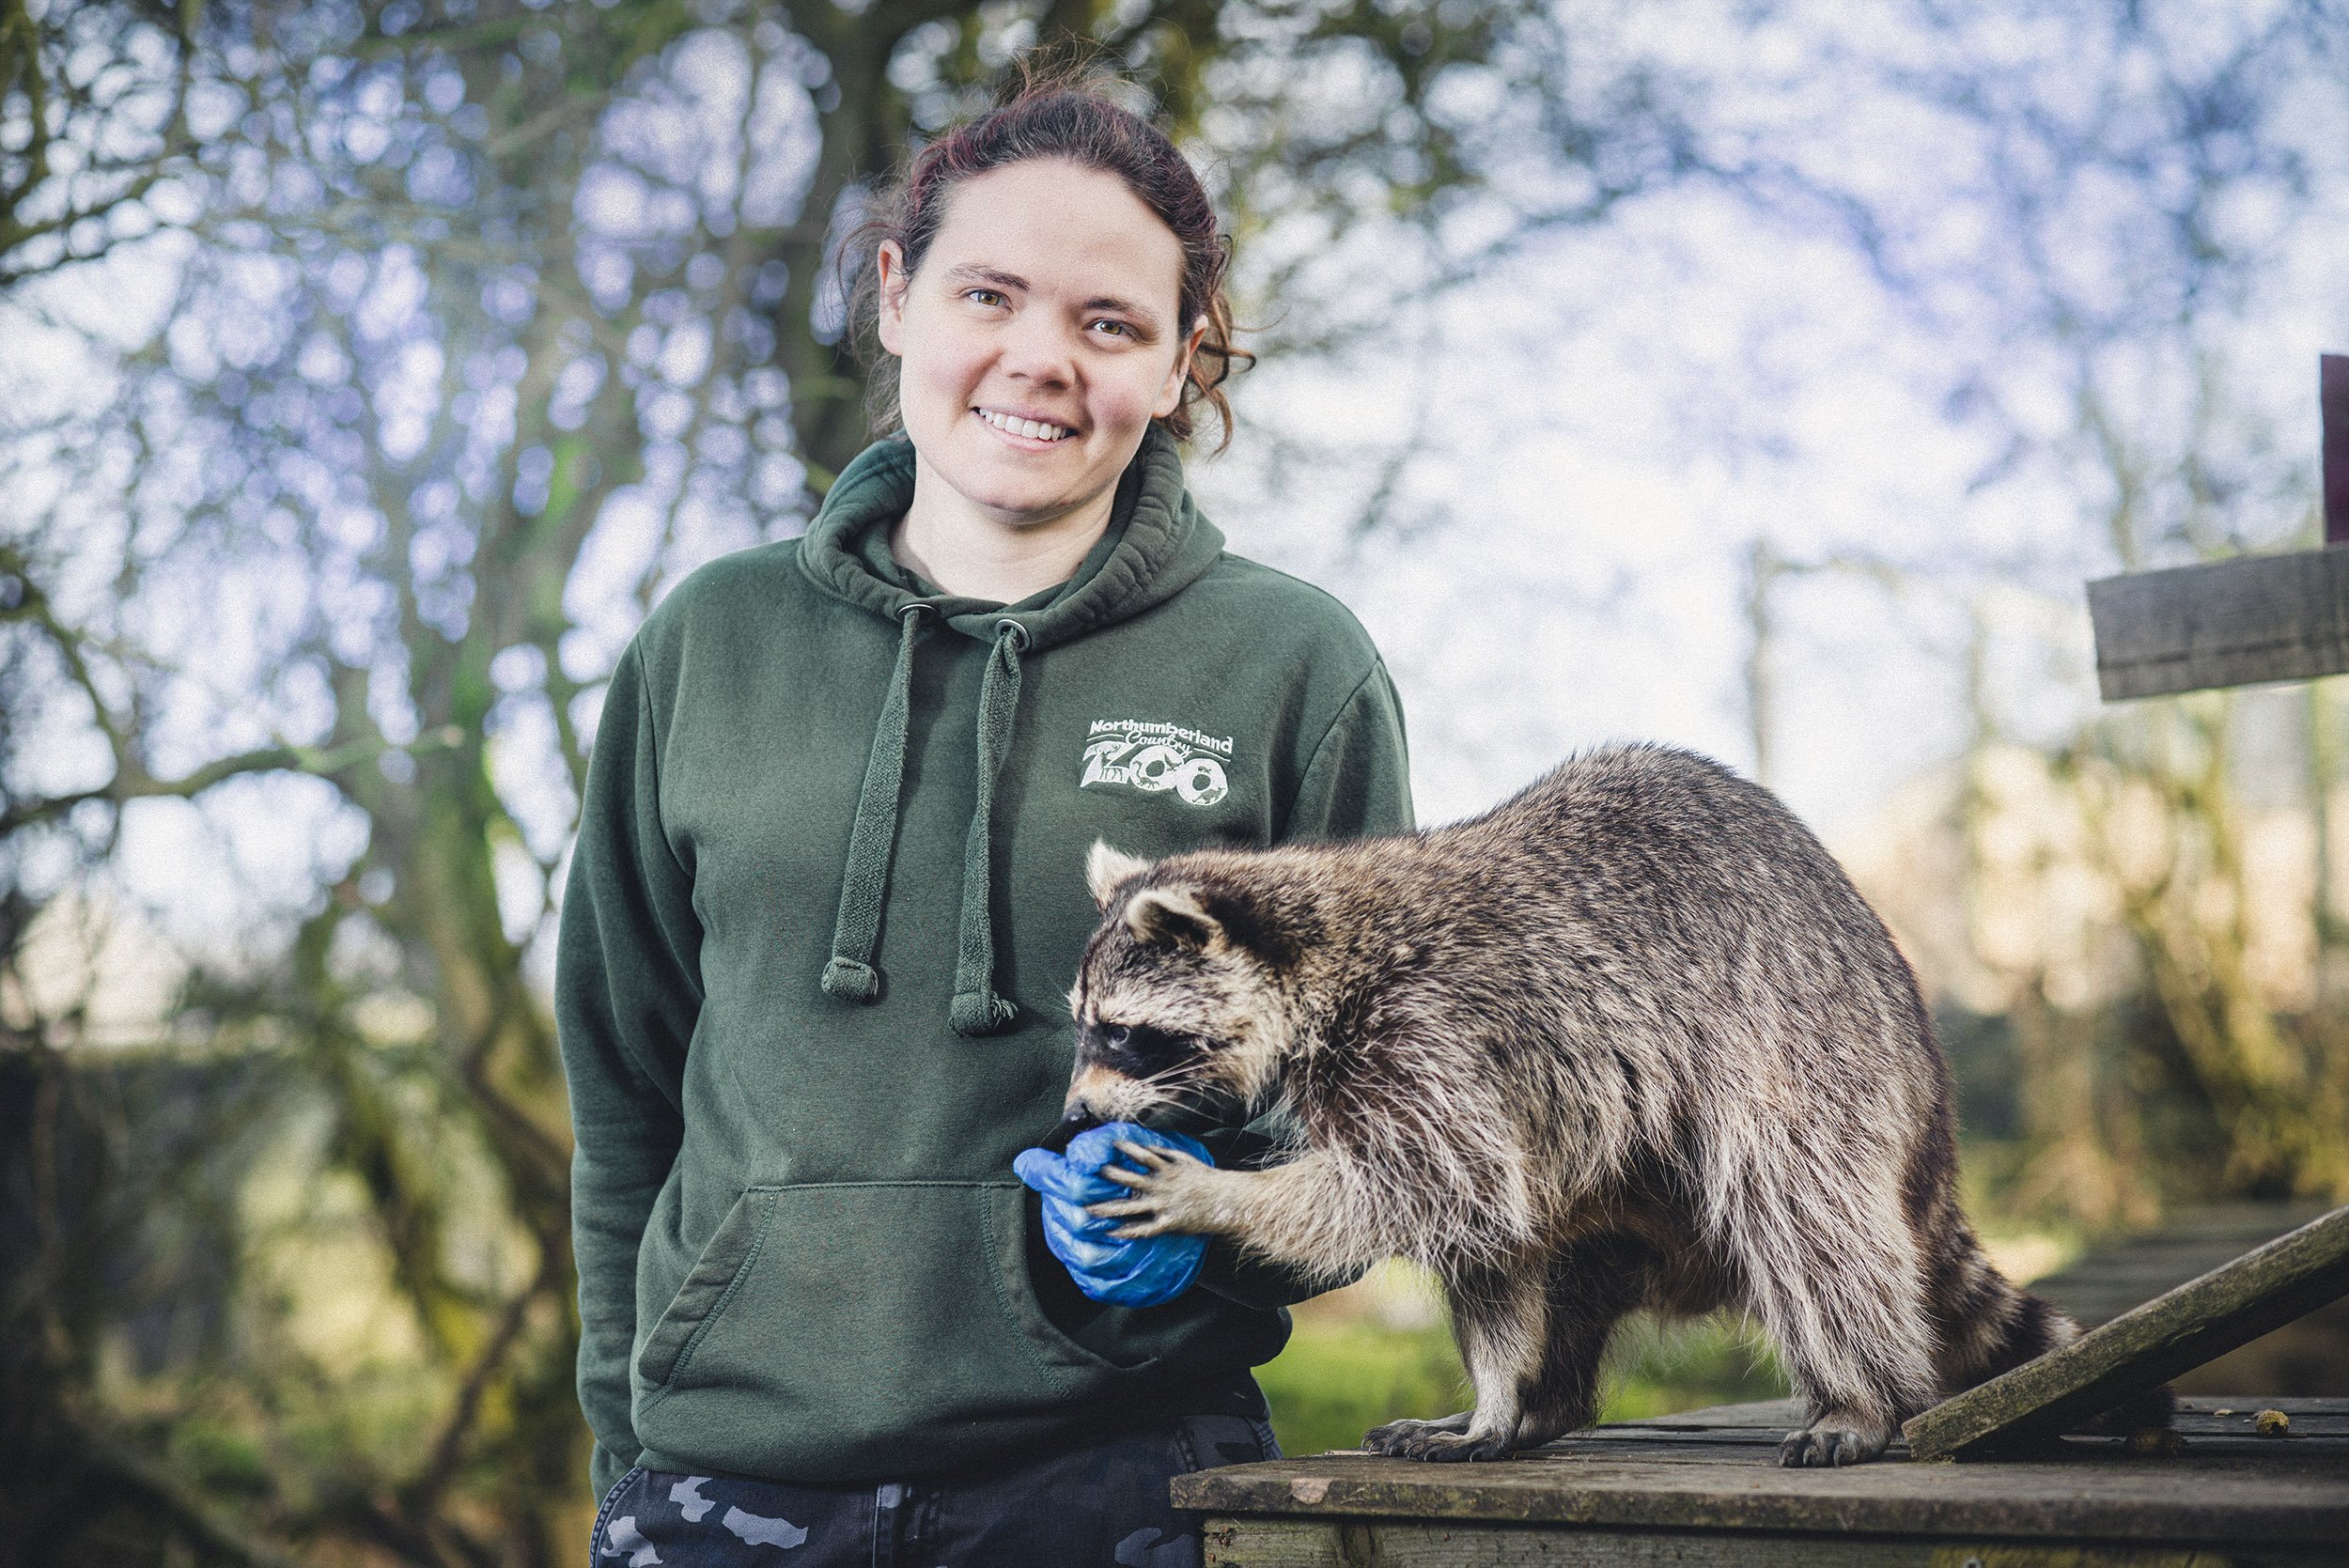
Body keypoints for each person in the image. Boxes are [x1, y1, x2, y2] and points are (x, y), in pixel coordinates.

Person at [557, 60, 1412, 1567]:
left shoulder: (1294, 668)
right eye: (988, 296)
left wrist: (1208, 1233)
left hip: (1122, 1476)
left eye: (1109, 323)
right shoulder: (709, 642)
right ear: (897, 297)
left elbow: (1374, 1106)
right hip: (723, 1485)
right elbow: (626, 1090)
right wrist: (628, 1448)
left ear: (1181, 360)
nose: (1040, 359)